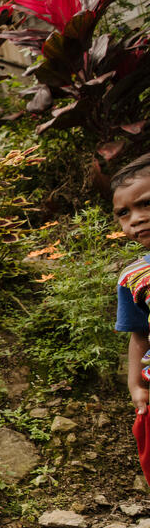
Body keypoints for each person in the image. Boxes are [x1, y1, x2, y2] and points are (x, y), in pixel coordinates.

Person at [112, 154, 150, 482]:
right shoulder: (133, 277)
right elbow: (138, 334)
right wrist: (135, 385)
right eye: (123, 213)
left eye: (145, 204)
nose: (134, 220)